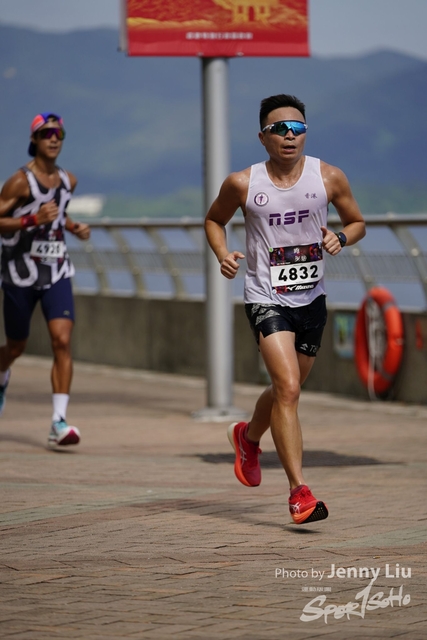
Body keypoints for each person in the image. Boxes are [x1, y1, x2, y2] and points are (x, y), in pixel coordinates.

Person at [205, 94, 366, 524]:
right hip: (265, 296)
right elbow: (214, 219)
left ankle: (247, 436)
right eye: (279, 129)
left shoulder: (328, 176)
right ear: (263, 138)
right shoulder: (243, 183)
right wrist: (222, 253)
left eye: (297, 128)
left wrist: (341, 238)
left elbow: (357, 222)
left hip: (311, 299)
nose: (289, 136)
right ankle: (299, 492)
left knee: (286, 389)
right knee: (289, 389)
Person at [0, 112, 90, 447]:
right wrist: (31, 220)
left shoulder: (68, 180)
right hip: (19, 274)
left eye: (59, 134)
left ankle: (58, 422)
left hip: (56, 271)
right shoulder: (19, 182)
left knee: (62, 341)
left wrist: (73, 227)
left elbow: (58, 212)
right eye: (47, 133)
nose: (54, 139)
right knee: (16, 346)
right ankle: (2, 374)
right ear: (34, 140)